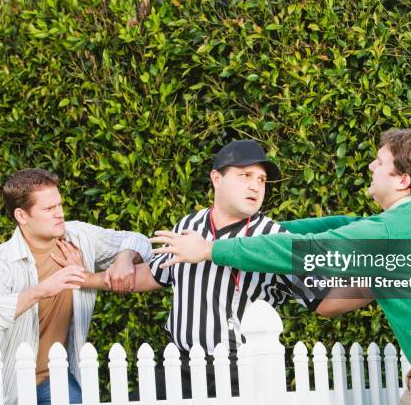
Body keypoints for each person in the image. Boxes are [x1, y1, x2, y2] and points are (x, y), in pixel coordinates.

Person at [151, 129, 411, 405]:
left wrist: (212, 251)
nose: (371, 165)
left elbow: (309, 250)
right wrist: (271, 229)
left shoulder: (389, 229)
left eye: (380, 161)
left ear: (402, 180)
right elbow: (340, 226)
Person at [125, 140, 323, 398]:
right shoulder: (189, 225)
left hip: (241, 372)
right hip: (181, 366)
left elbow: (323, 298)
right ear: (216, 179)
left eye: (261, 180)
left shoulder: (272, 235)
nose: (255, 186)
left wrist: (383, 280)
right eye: (245, 176)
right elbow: (153, 274)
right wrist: (85, 278)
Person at [0, 168, 153, 404]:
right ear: (22, 216)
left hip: (51, 379)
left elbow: (139, 240)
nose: (60, 214)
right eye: (48, 209)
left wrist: (125, 256)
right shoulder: (1, 260)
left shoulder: (77, 237)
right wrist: (40, 290)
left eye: (59, 205)